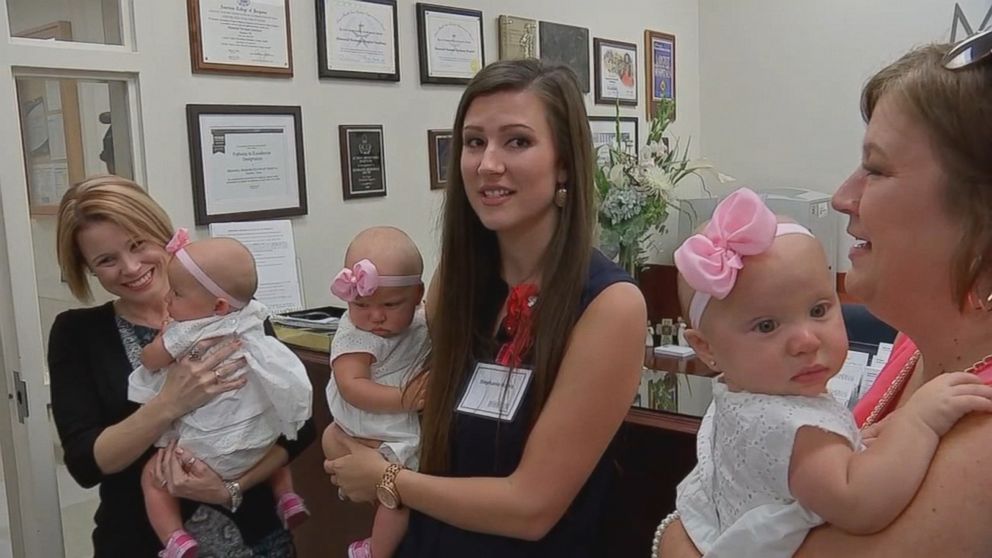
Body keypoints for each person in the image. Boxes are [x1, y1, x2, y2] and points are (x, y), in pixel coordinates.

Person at [659, 28, 992, 558]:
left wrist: (674, 540)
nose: (841, 197)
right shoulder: (915, 345)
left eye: (876, 169)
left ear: (979, 214)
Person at [325, 58, 647, 557]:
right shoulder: (454, 282)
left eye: (516, 141)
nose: (487, 163)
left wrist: (389, 479)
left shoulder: (609, 305)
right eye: (474, 142)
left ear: (564, 162)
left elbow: (531, 508)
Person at [669, 187, 992, 558]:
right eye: (766, 326)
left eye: (819, 310)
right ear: (706, 347)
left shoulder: (743, 400)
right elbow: (859, 502)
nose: (805, 340)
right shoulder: (792, 427)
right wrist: (918, 421)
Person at [48, 174, 315, 557]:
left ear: (161, 233)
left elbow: (299, 427)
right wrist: (170, 403)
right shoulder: (78, 334)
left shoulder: (228, 309)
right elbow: (86, 463)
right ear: (88, 268)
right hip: (139, 543)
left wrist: (231, 488)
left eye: (138, 244)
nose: (130, 267)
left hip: (259, 541)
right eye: (106, 260)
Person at [128, 231, 313, 557]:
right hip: (255, 441)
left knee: (152, 477)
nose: (167, 300)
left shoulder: (188, 330)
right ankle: (287, 496)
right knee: (274, 435)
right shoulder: (252, 317)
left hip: (205, 451)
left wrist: (163, 336)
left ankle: (175, 539)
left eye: (177, 294)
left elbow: (150, 359)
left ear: (218, 305)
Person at [322, 226, 429, 558]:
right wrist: (404, 399)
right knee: (397, 493)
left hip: (398, 418)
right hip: (372, 419)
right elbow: (351, 386)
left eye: (392, 304)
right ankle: (374, 551)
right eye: (361, 304)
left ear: (417, 294)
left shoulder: (421, 321)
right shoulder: (356, 335)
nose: (376, 316)